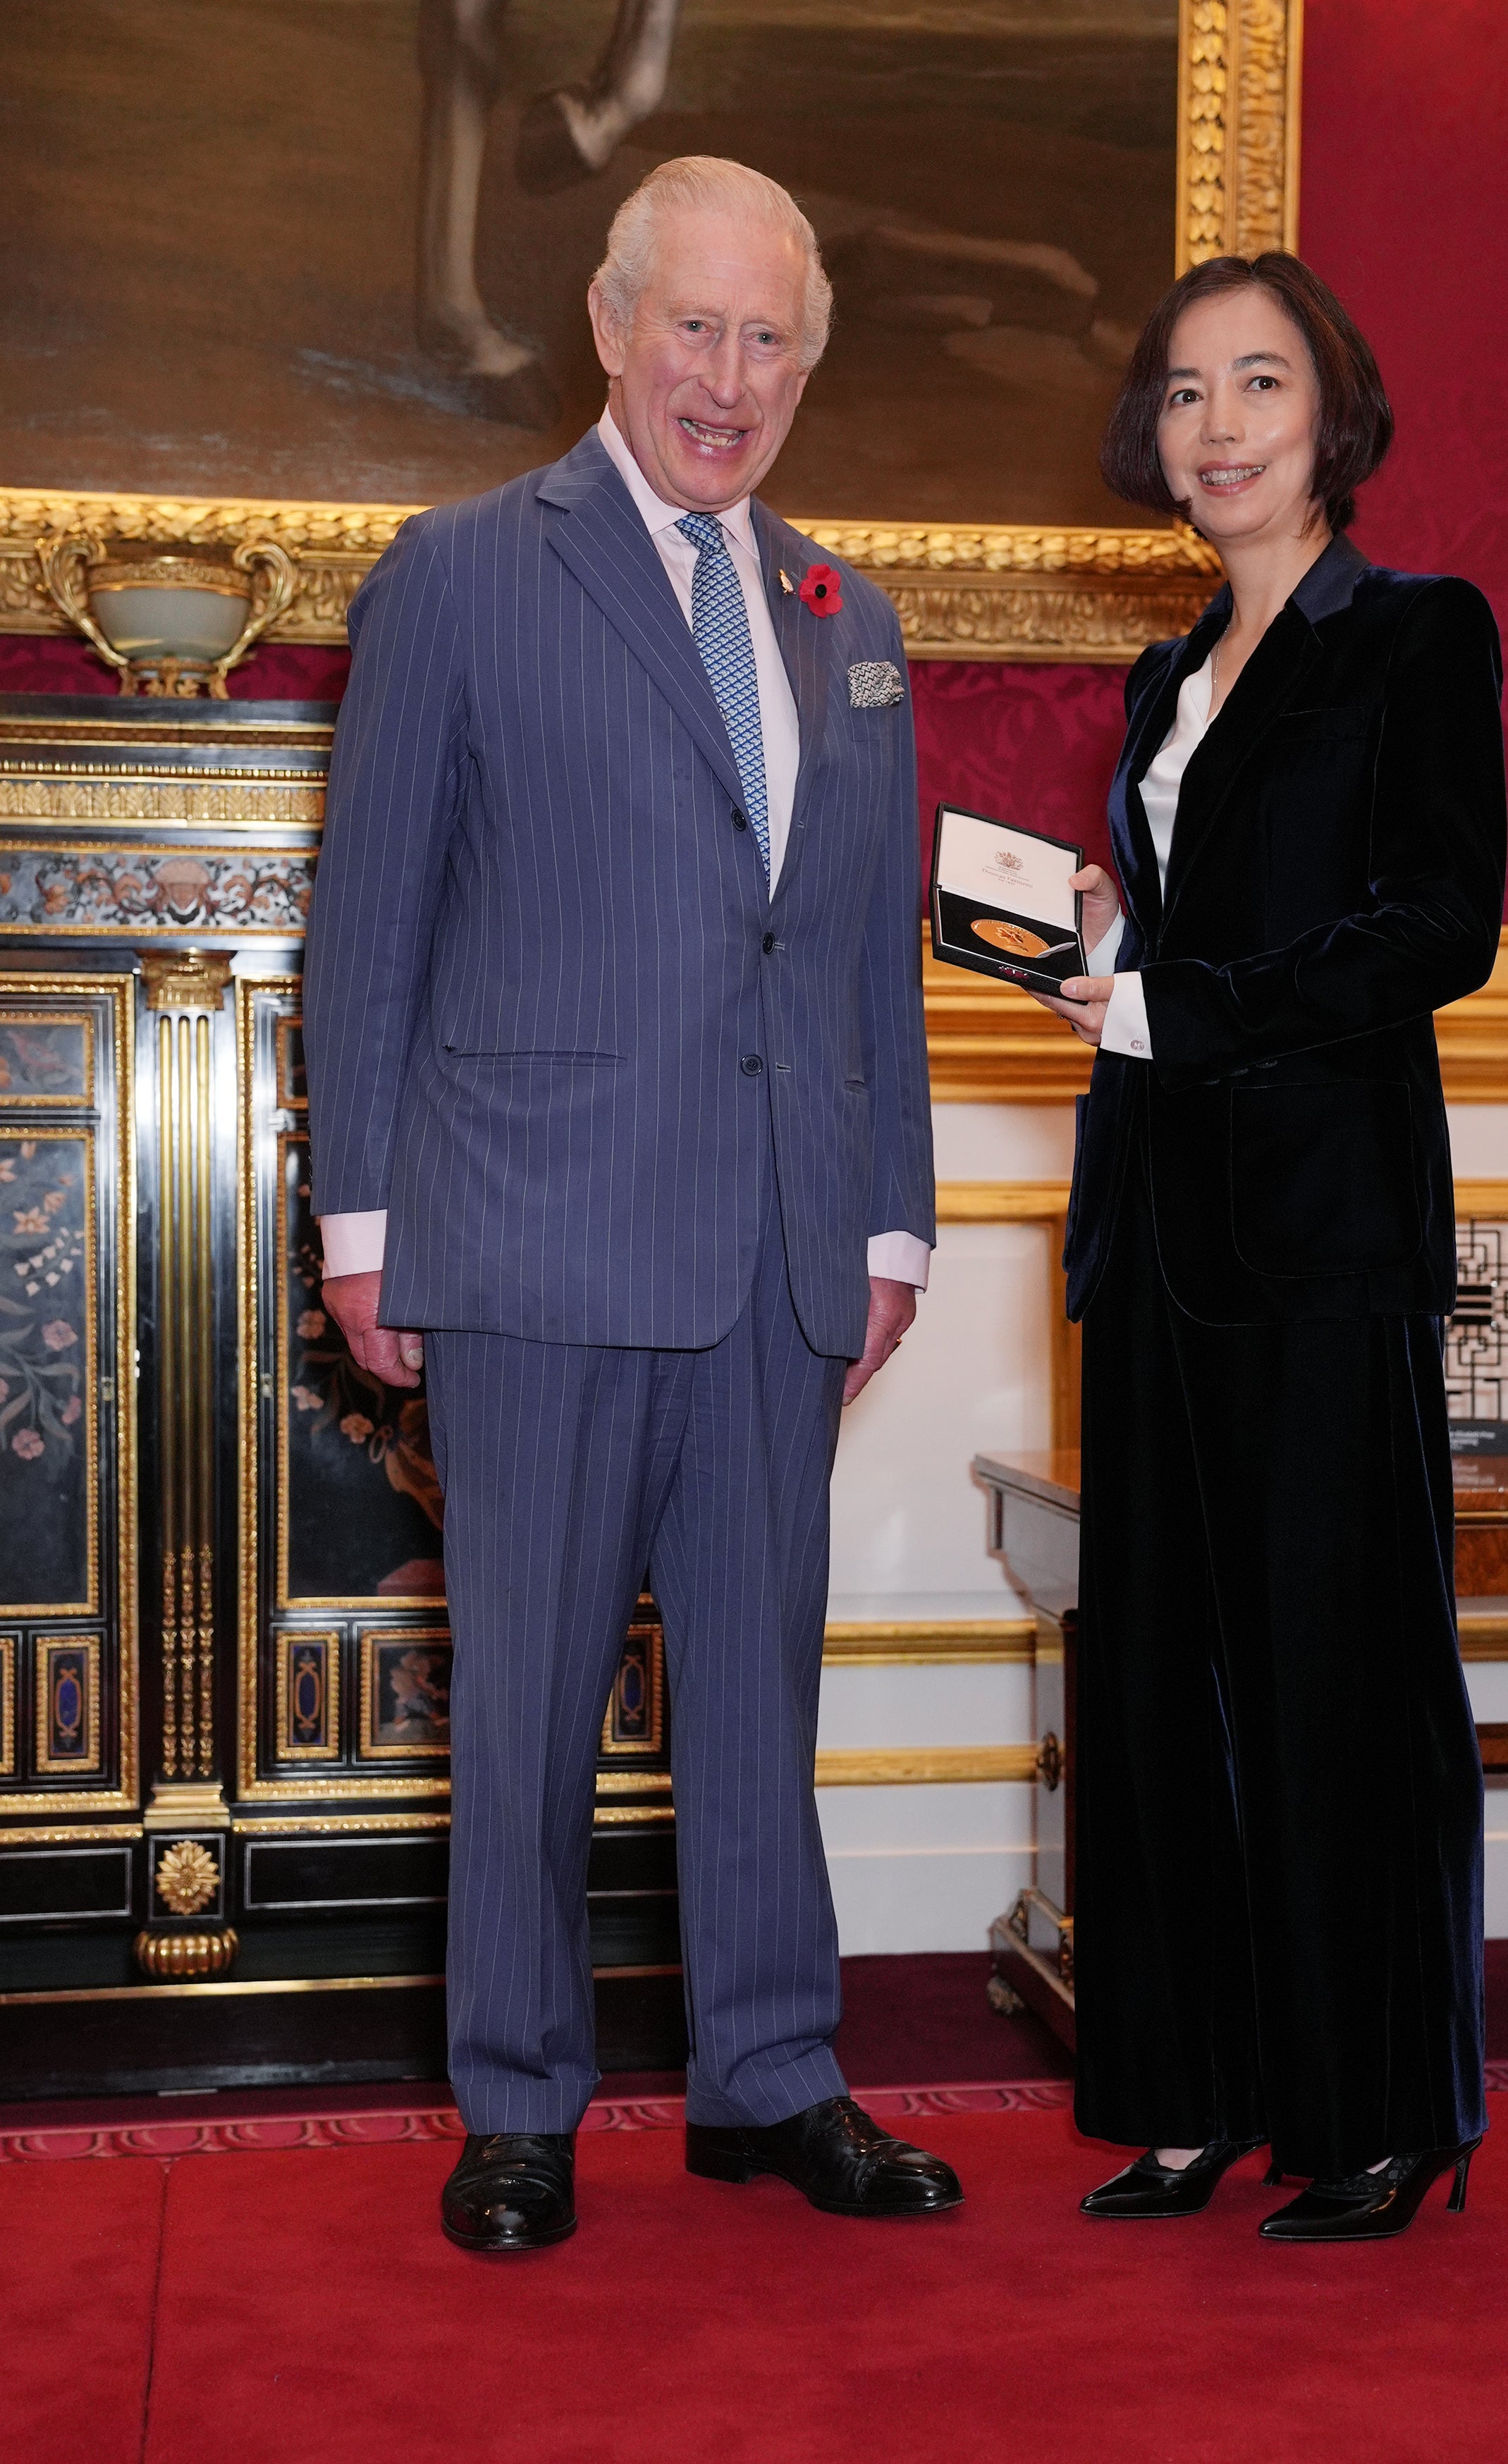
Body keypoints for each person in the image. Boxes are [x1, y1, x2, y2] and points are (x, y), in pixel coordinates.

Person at [307, 155, 962, 2250]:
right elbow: (372, 929)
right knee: (523, 1701)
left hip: (781, 1254)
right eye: (698, 326)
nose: (732, 376)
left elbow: (861, 952)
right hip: (533, 1239)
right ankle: (518, 2099)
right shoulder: (462, 574)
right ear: (608, 328)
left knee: (762, 1697)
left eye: (773, 341)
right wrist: (361, 1225)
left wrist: (889, 1226)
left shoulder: (842, 615)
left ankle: (772, 2080)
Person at [1034, 252, 1505, 2241]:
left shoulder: (1413, 636)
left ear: (1333, 418)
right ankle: (1190, 2091)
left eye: (1259, 385)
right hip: (1154, 1238)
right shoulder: (1158, 677)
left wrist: (1180, 1005)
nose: (1216, 426)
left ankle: (1377, 2114)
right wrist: (1111, 951)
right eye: (1182, 393)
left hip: (1321, 1246)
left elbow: (1433, 929)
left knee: (1333, 1679)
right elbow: (1209, 942)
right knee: (1156, 1680)